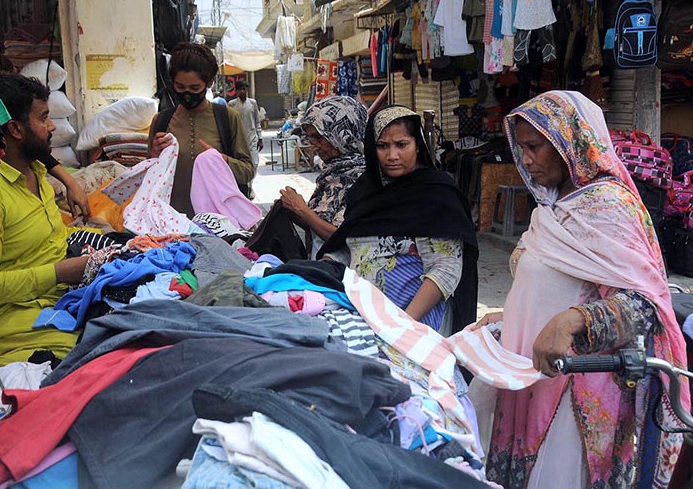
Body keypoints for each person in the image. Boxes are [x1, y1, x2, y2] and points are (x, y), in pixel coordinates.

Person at [474, 91, 689, 488]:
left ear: (568, 141)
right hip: (528, 376)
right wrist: (513, 315)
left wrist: (572, 321)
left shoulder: (609, 209)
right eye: (520, 148)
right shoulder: (553, 207)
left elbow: (645, 307)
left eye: (535, 147)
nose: (526, 159)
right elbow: (556, 282)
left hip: (576, 394)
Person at [318, 105, 478, 335]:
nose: (392, 156)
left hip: (416, 323)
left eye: (401, 145)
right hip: (365, 316)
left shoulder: (436, 194)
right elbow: (349, 246)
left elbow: (445, 269)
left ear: (417, 145)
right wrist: (324, 268)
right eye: (382, 146)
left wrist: (402, 324)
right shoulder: (365, 191)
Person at [0, 73, 93, 376]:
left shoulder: (38, 170)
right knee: (94, 353)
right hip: (15, 316)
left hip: (60, 295)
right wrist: (58, 273)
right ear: (15, 128)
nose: (52, 126)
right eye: (44, 118)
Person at [149, 43, 254, 217]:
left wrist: (221, 161)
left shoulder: (227, 118)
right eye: (180, 87)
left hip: (219, 225)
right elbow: (148, 179)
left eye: (195, 88)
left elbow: (247, 171)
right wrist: (153, 156)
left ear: (210, 82)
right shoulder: (161, 122)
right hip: (170, 222)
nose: (187, 94)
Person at [278, 96, 367, 258]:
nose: (313, 144)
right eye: (310, 137)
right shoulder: (333, 172)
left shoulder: (364, 178)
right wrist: (292, 212)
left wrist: (301, 209)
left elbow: (340, 237)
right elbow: (319, 227)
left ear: (342, 134)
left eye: (319, 137)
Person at [228, 80, 264, 194]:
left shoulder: (253, 103)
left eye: (245, 89)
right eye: (240, 89)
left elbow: (257, 121)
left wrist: (260, 138)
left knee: (254, 162)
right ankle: (243, 188)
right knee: (241, 164)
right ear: (237, 91)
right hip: (238, 139)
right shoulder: (232, 104)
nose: (243, 91)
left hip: (252, 137)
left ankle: (250, 185)